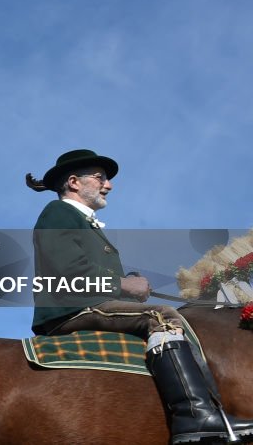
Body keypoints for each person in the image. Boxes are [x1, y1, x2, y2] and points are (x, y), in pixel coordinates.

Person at [27, 149, 253, 444]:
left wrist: (128, 286)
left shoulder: (82, 221)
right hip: (70, 309)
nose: (108, 185)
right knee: (162, 316)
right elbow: (67, 270)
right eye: (100, 178)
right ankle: (194, 416)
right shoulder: (59, 213)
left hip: (88, 303)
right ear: (73, 182)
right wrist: (123, 285)